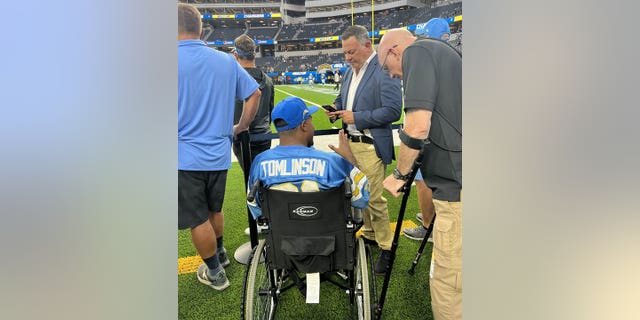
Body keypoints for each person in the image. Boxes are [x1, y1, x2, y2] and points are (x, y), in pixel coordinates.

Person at [378, 28, 461, 320]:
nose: (391, 76)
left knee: (449, 285)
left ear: (394, 51)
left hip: (457, 189)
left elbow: (417, 127)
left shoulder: (418, 51)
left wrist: (400, 174)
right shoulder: (442, 52)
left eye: (387, 68)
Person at [178, 3, 261, 292]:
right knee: (215, 209)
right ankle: (221, 255)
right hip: (219, 153)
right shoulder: (226, 61)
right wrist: (241, 126)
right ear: (201, 29)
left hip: (184, 157)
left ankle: (215, 272)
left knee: (197, 219)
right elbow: (254, 93)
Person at [325, 25, 402, 275]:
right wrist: (335, 109)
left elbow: (393, 111)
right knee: (360, 195)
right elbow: (342, 99)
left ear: (367, 46)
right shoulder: (350, 73)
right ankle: (369, 234)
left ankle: (387, 246)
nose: (348, 57)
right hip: (351, 144)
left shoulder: (382, 70)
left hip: (369, 145)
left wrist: (356, 117)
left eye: (351, 52)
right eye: (345, 53)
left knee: (374, 199)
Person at [247, 97, 370, 219]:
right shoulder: (333, 162)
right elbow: (362, 199)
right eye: (311, 120)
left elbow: (256, 208)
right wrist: (349, 158)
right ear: (304, 125)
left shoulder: (260, 162)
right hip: (329, 236)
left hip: (282, 237)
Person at [402, 17, 453, 242]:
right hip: (452, 137)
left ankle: (427, 226)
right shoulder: (453, 57)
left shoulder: (431, 59)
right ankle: (432, 217)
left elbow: (422, 116)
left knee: (422, 179)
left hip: (437, 137)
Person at [231, 34, 275, 173]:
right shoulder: (267, 80)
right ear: (254, 54)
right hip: (264, 135)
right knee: (262, 175)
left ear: (235, 55)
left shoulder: (233, 80)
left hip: (242, 136)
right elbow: (270, 110)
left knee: (251, 178)